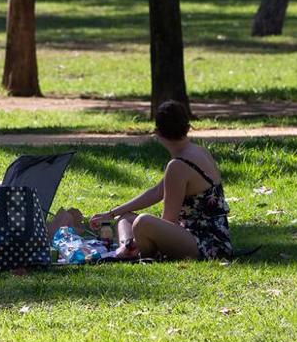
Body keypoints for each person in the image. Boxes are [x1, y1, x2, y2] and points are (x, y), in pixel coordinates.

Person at [88, 101, 232, 261]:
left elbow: (168, 220)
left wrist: (137, 238)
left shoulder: (178, 166)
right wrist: (111, 213)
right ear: (188, 127)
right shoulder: (199, 151)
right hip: (213, 238)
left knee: (142, 222)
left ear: (157, 133)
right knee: (124, 218)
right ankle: (126, 248)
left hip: (207, 244)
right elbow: (156, 192)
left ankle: (131, 249)